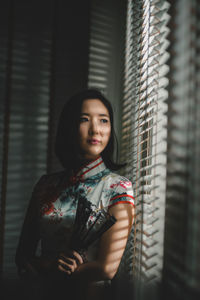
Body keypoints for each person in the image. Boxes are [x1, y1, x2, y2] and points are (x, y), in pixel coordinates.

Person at [15, 88, 135, 300]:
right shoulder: (46, 184)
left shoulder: (117, 187)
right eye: (84, 119)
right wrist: (51, 265)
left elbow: (107, 268)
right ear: (69, 127)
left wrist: (54, 271)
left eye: (104, 120)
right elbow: (22, 256)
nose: (95, 130)